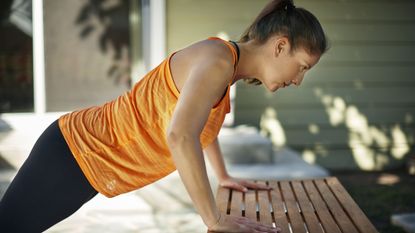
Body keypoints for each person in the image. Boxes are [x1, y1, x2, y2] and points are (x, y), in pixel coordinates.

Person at [0, 0, 327, 232]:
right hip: (76, 152)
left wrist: (223, 175)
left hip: (88, 163)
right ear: (280, 47)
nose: (297, 80)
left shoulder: (225, 66)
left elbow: (200, 128)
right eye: (302, 68)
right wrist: (213, 220)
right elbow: (180, 135)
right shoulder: (218, 62)